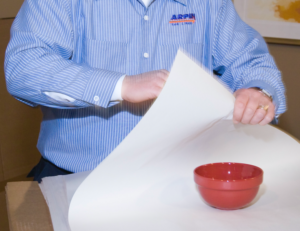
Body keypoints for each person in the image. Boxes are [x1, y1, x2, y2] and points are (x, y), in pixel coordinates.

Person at [4, 0, 286, 182]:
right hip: (77, 176)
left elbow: (250, 61)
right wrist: (121, 86)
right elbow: (23, 68)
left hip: (181, 179)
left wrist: (259, 90)